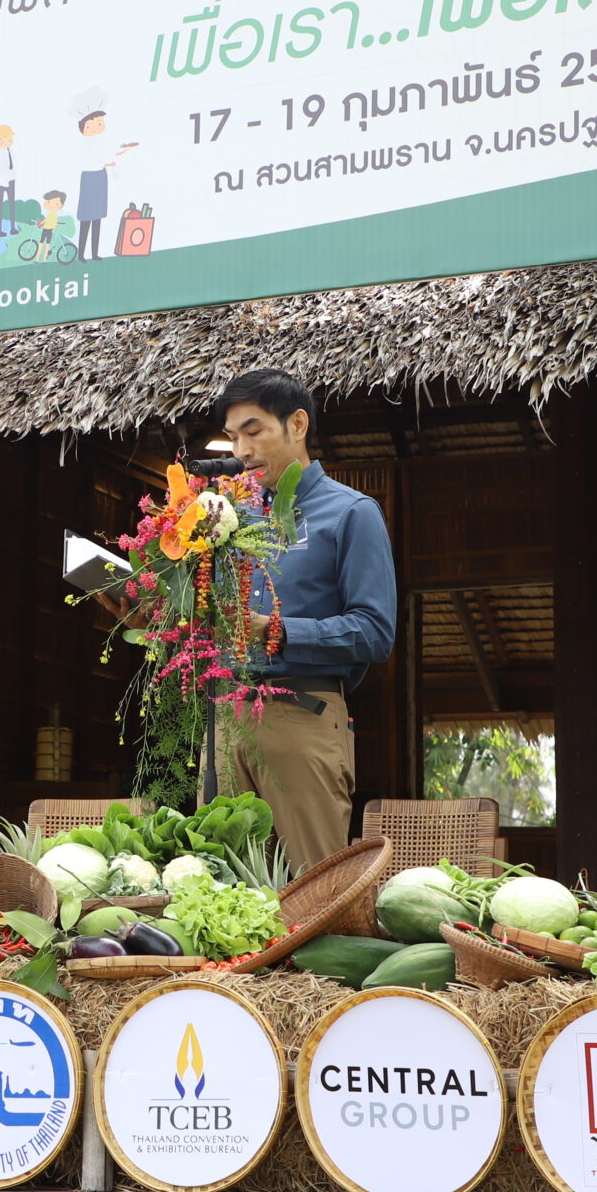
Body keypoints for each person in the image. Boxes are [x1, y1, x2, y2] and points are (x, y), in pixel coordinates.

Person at [213, 369, 397, 870]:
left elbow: (375, 632)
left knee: (313, 891)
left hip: (302, 710)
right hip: (225, 719)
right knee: (224, 895)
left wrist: (275, 629)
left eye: (254, 431)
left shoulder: (351, 512)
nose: (242, 450)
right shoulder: (229, 519)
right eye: (233, 437)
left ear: (297, 424)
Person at [70, 93, 137, 261]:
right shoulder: (84, 143)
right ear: (87, 126)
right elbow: (88, 159)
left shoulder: (102, 141)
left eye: (101, 122)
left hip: (100, 176)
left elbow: (107, 157)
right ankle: (81, 254)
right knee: (86, 218)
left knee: (98, 217)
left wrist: (115, 158)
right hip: (89, 178)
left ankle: (94, 253)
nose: (101, 125)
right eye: (98, 122)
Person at [0, 125, 20, 235]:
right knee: (0, 206)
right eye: (6, 139)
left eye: (10, 139)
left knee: (12, 204)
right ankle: (0, 230)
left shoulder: (11, 151)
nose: (9, 141)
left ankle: (12, 228)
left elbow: (14, 164)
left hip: (10, 180)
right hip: (0, 182)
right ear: (0, 142)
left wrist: (14, 177)